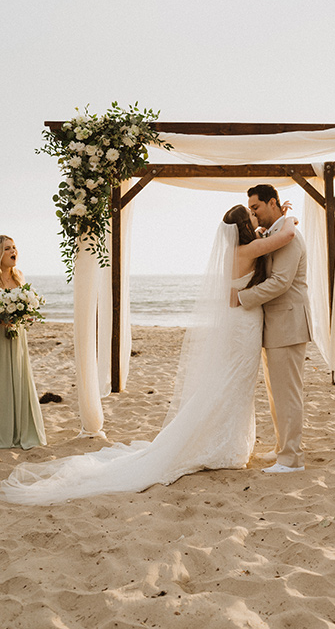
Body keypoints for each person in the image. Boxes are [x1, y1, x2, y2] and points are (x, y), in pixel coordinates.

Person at [0, 206, 297, 505]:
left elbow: (267, 237)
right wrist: (289, 215)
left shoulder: (240, 249)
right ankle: (225, 446)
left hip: (241, 324)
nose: (258, 220)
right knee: (235, 383)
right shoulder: (249, 249)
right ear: (245, 225)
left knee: (235, 383)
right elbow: (287, 234)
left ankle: (228, 443)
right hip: (243, 326)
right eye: (254, 216)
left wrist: (270, 221)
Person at [233, 184, 312, 474]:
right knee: (276, 393)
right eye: (251, 209)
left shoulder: (289, 238)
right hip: (274, 325)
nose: (253, 213)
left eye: (256, 207)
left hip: (289, 324)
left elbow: (281, 282)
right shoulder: (276, 233)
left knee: (288, 393)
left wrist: (241, 298)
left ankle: (291, 459)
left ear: (273, 202)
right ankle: (282, 449)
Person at [0, 235, 46, 450]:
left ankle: (21, 428)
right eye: (8, 248)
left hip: (17, 335)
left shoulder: (19, 277)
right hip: (0, 336)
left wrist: (27, 315)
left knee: (18, 376)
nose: (13, 251)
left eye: (15, 247)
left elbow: (26, 305)